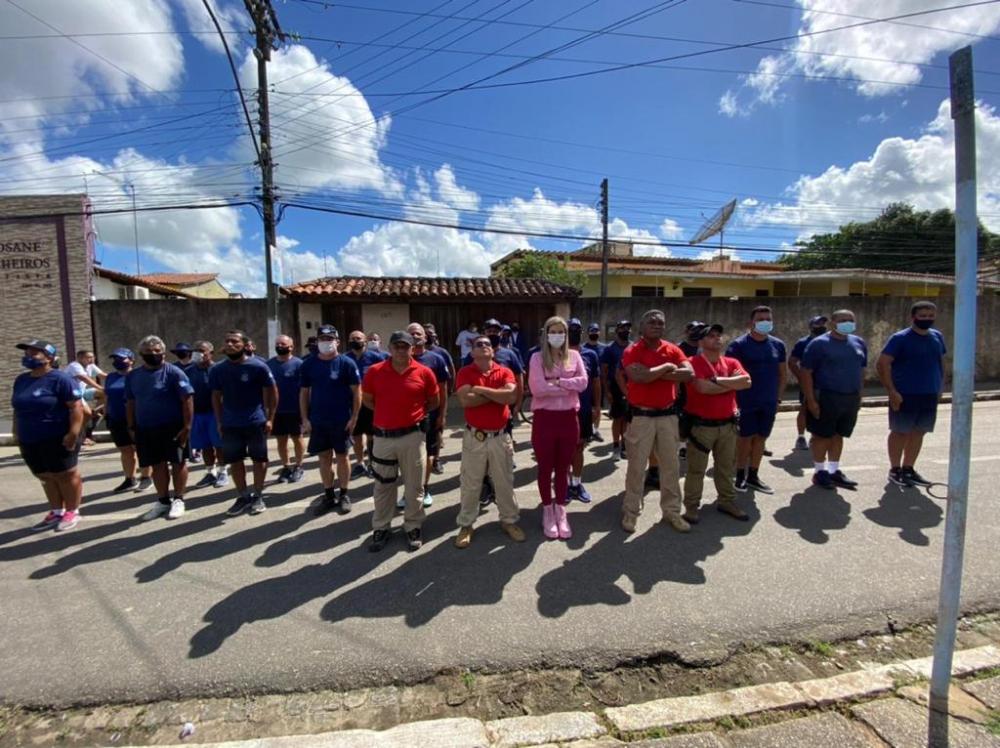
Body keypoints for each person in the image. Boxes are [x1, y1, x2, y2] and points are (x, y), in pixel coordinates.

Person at [363, 331, 440, 552]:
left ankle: (413, 525)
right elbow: (368, 400)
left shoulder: (424, 373)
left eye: (405, 346)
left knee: (414, 485)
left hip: (413, 438)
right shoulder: (375, 372)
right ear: (389, 347)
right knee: (383, 486)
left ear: (412, 348)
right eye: (396, 345)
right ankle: (381, 527)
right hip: (384, 438)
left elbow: (433, 401)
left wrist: (411, 416)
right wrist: (388, 414)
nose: (400, 350)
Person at [620, 310, 694, 533]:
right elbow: (637, 376)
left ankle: (672, 511)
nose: (657, 325)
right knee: (636, 467)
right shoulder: (632, 350)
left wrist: (652, 373)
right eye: (651, 322)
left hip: (668, 416)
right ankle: (631, 512)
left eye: (660, 323)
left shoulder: (672, 349)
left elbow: (689, 374)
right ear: (641, 327)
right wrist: (665, 368)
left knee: (671, 467)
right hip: (642, 417)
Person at [453, 334, 525, 548]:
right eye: (478, 344)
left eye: (487, 344)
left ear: (493, 351)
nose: (483, 346)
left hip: (500, 437)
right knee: (471, 483)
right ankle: (466, 525)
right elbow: (466, 400)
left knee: (504, 482)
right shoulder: (465, 372)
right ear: (472, 351)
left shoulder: (505, 371)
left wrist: (481, 390)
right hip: (475, 437)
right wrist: (497, 395)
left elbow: (510, 397)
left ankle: (509, 521)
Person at [13, 339, 85, 532]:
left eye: (34, 352)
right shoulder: (22, 380)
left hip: (57, 436)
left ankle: (72, 511)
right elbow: (17, 409)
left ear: (49, 357)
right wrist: (16, 432)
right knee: (44, 475)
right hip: (29, 437)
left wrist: (73, 433)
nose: (29, 356)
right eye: (27, 352)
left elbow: (76, 408)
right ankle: (56, 511)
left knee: (65, 474)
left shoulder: (60, 379)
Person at [682, 324, 752, 523]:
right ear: (701, 342)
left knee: (726, 467)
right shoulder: (691, 362)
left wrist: (717, 381)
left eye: (718, 335)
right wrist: (730, 383)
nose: (716, 339)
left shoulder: (731, 361)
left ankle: (727, 501)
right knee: (696, 469)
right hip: (701, 427)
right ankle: (692, 506)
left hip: (728, 425)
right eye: (711, 336)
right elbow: (702, 387)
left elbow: (747, 382)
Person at [528, 316, 588, 540]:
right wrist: (567, 384)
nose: (557, 336)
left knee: (563, 468)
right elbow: (537, 388)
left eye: (561, 332)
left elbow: (583, 383)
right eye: (552, 331)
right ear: (546, 334)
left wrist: (557, 381)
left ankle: (561, 510)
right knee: (545, 467)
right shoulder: (536, 358)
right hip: (545, 419)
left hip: (568, 419)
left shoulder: (575, 356)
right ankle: (547, 511)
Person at [876, 301, 946, 488]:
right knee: (900, 432)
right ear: (913, 317)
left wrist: (940, 387)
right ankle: (895, 470)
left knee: (919, 432)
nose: (927, 319)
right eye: (923, 316)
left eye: (930, 316)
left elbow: (940, 363)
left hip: (929, 393)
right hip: (905, 394)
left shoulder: (937, 337)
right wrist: (892, 391)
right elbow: (883, 364)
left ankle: (909, 469)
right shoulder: (900, 338)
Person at [126, 335, 195, 521]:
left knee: (178, 463)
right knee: (157, 464)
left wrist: (187, 426)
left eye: (157, 351)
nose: (153, 354)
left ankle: (179, 499)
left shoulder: (174, 373)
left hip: (173, 427)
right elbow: (131, 401)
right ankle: (163, 500)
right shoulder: (133, 376)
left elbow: (187, 399)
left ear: (163, 353)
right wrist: (131, 425)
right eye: (148, 352)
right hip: (146, 428)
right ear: (141, 354)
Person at [210, 330, 278, 515]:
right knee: (235, 461)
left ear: (244, 345)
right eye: (227, 341)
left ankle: (257, 495)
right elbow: (216, 397)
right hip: (230, 424)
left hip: (255, 422)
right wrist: (219, 421)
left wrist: (270, 418)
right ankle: (243, 496)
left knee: (259, 460)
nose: (230, 344)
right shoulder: (217, 369)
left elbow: (272, 393)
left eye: (235, 341)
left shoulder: (259, 367)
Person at [800, 309, 867, 490]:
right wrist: (811, 400)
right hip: (826, 396)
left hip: (850, 397)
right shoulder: (819, 344)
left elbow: (861, 370)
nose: (847, 323)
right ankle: (820, 472)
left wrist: (860, 394)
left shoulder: (858, 342)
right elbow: (806, 372)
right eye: (843, 320)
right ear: (832, 323)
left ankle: (833, 470)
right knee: (822, 436)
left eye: (850, 320)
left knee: (839, 435)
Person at [725, 306, 787, 495]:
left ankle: (753, 475)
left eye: (768, 318)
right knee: (745, 439)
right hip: (746, 401)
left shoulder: (778, 345)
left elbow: (782, 374)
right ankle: (740, 474)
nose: (765, 322)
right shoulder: (738, 346)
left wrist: (778, 399)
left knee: (761, 438)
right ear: (751, 322)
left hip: (768, 402)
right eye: (761, 319)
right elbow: (730, 375)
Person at [301, 325, 361, 515]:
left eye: (330, 339)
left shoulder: (346, 363)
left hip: (341, 419)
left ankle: (344, 494)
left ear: (337, 342)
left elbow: (357, 392)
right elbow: (303, 393)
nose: (326, 342)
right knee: (324, 457)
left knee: (342, 456)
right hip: (318, 420)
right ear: (317, 341)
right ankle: (328, 494)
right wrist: (304, 418)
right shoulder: (308, 364)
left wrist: (354, 417)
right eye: (322, 339)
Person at [408, 322, 449, 507]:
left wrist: (442, 415)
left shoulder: (436, 359)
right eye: (411, 334)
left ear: (425, 337)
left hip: (430, 415)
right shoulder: (400, 359)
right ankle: (411, 490)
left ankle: (424, 488)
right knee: (409, 456)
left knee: (429, 453)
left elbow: (443, 390)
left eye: (418, 333)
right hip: (406, 417)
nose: (415, 337)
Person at [104, 348, 152, 493]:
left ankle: (146, 477)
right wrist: (106, 414)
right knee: (125, 450)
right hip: (116, 418)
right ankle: (130, 479)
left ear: (131, 360)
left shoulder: (138, 375)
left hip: (137, 417)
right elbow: (107, 397)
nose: (117, 361)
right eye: (115, 359)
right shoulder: (111, 377)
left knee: (141, 448)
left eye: (121, 358)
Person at [345, 329, 389, 478]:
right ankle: (359, 463)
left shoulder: (376, 358)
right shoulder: (345, 359)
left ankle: (372, 462)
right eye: (352, 338)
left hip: (371, 404)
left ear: (365, 341)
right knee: (356, 436)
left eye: (358, 338)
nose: (355, 341)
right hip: (352, 405)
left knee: (372, 435)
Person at [567, 318, 601, 503]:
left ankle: (576, 483)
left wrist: (597, 406)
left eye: (577, 329)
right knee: (564, 449)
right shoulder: (555, 355)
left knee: (579, 447)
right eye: (570, 329)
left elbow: (596, 382)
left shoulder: (591, 355)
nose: (574, 332)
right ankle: (564, 484)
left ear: (582, 333)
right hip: (562, 411)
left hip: (584, 410)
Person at [188, 341, 228, 489]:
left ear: (210, 353)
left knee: (219, 444)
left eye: (202, 351)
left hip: (215, 413)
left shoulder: (218, 369)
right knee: (204, 446)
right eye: (196, 350)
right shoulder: (189, 371)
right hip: (198, 414)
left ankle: (223, 471)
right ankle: (210, 472)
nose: (198, 354)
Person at [267, 334, 305, 484]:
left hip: (294, 409)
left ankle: (299, 466)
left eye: (283, 344)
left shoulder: (299, 364)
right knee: (281, 440)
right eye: (278, 344)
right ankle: (286, 466)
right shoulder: (269, 364)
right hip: (277, 410)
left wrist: (305, 410)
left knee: (297, 438)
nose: (280, 346)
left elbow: (304, 389)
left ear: (291, 346)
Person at [788, 316, 829, 451]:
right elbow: (792, 362)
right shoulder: (803, 343)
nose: (822, 326)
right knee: (805, 408)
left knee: (824, 410)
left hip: (826, 384)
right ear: (811, 326)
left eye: (823, 324)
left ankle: (816, 436)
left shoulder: (830, 341)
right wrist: (801, 377)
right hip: (809, 383)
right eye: (818, 324)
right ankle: (801, 437)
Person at [424, 322, 456, 475]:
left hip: (437, 397)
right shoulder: (412, 354)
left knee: (437, 427)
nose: (428, 336)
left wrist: (450, 389)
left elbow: (451, 370)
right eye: (426, 333)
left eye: (430, 333)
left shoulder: (441, 353)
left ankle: (435, 459)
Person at [601, 320, 632, 460]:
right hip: (615, 387)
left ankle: (625, 446)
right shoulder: (609, 349)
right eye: (623, 328)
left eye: (628, 328)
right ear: (618, 330)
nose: (626, 330)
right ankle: (615, 447)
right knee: (617, 418)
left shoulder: (633, 347)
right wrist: (607, 391)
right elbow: (604, 371)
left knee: (627, 419)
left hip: (631, 386)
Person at [65, 349, 105, 445]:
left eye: (92, 357)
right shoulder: (74, 366)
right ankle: (79, 435)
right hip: (73, 395)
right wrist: (100, 387)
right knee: (87, 413)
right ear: (80, 358)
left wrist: (121, 378)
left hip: (83, 392)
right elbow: (84, 378)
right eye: (88, 357)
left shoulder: (91, 366)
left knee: (104, 393)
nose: (91, 359)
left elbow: (103, 375)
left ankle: (95, 412)